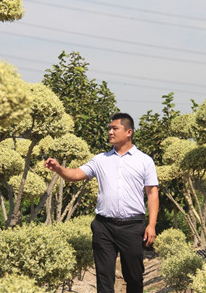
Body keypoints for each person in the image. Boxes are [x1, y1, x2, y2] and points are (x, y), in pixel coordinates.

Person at [44, 112, 159, 293]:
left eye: (115, 128)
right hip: (103, 226)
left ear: (129, 132)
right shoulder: (100, 160)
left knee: (134, 277)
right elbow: (75, 175)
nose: (110, 132)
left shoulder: (144, 161)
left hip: (132, 226)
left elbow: (152, 193)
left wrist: (151, 225)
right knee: (104, 278)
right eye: (109, 129)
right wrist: (59, 169)